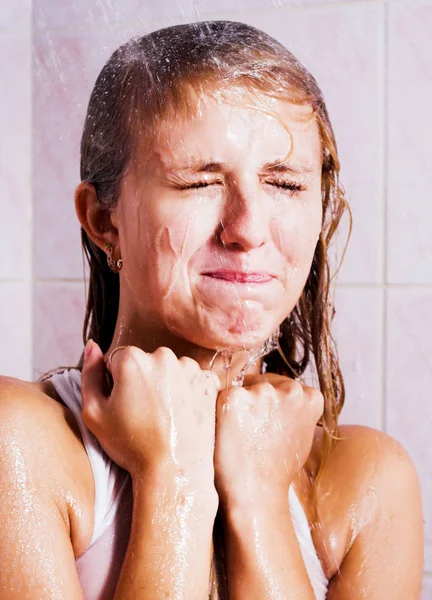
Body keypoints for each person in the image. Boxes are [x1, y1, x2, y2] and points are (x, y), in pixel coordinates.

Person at [0, 20, 424, 600]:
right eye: (198, 182)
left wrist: (261, 497)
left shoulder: (364, 485)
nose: (248, 229)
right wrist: (172, 473)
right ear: (104, 221)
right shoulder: (20, 444)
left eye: (286, 184)